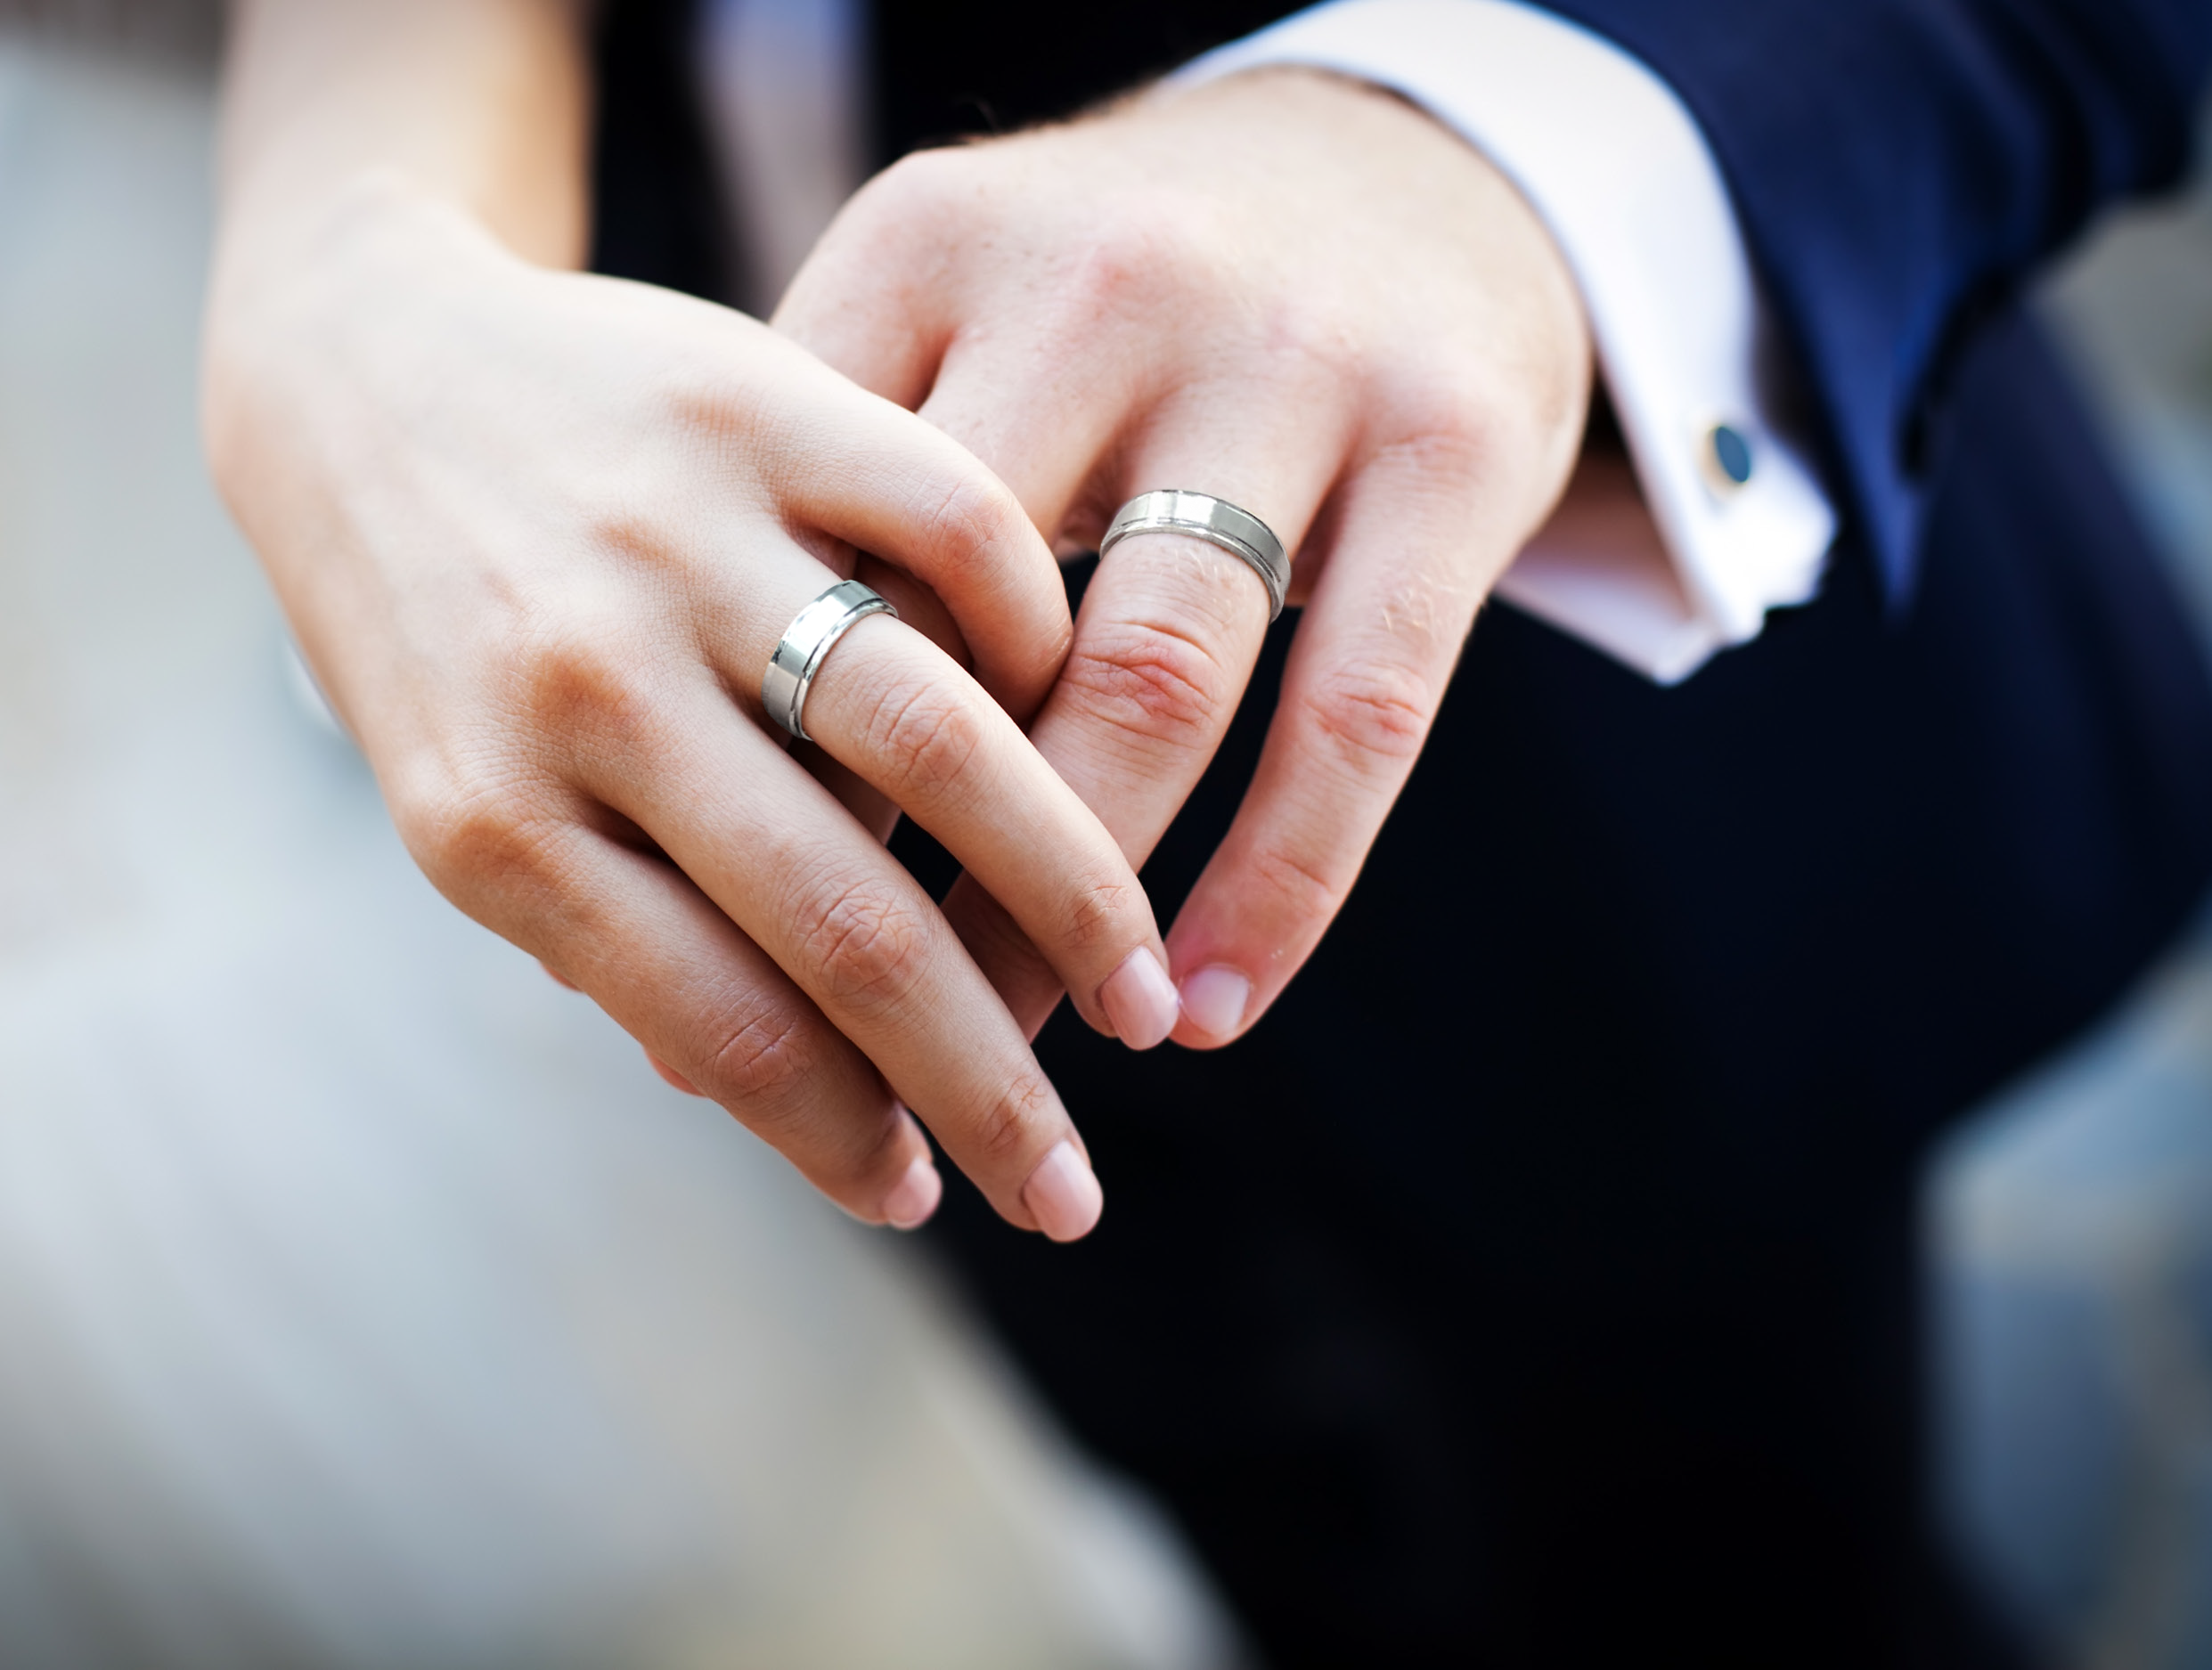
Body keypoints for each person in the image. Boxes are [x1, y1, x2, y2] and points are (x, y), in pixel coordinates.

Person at [205, 0, 2212, 1663]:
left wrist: (1463, 146)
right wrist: (343, 264)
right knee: (1244, 1508)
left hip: (1589, 830)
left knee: (1740, 1567)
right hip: (797, 838)